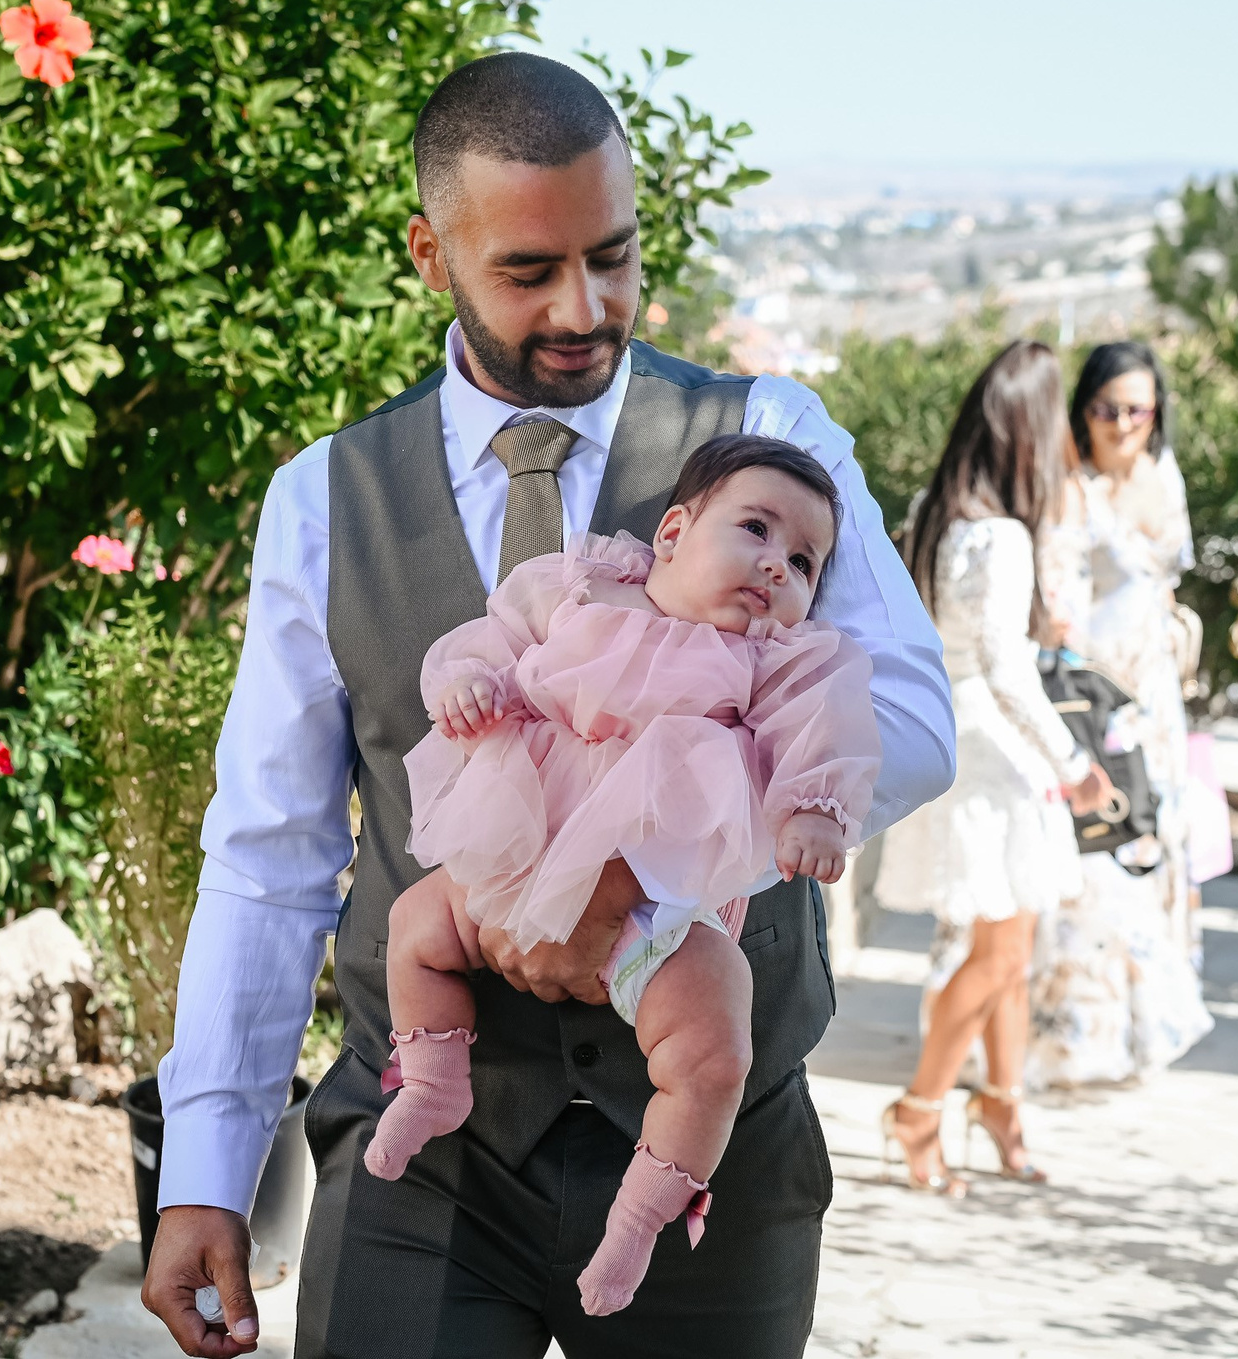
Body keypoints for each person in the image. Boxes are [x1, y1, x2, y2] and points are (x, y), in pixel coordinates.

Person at [140, 51, 955, 1359]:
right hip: (426, 1154)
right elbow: (268, 854)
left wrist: (641, 866)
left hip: (712, 1154)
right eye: (529, 271)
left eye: (613, 256)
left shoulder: (770, 434)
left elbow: (908, 720)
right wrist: (205, 1169)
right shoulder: (325, 499)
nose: (586, 306)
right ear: (431, 253)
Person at [370, 434, 879, 1317]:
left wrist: (811, 811)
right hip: (513, 862)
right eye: (755, 529)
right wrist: (468, 682)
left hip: (656, 912)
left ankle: (639, 1220)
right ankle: (432, 1080)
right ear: (673, 532)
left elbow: (820, 730)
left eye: (804, 561)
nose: (777, 564)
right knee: (416, 928)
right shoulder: (580, 587)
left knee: (714, 1049)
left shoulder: (773, 660)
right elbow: (490, 639)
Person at [872, 340, 1104, 1193]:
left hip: (957, 737)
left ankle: (1002, 1104)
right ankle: (920, 1108)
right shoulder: (1003, 535)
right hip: (998, 749)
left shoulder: (938, 509)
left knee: (1012, 938)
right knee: (1003, 952)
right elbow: (1008, 667)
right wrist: (1073, 762)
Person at [1027, 340, 1214, 1088]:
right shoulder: (1069, 486)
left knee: (1152, 843)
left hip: (1155, 697)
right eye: (1108, 408)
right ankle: (1075, 1040)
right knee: (1095, 854)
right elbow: (1056, 601)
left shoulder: (1165, 475)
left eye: (1138, 409)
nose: (1123, 423)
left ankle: (1143, 1032)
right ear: (1085, 410)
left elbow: (1165, 584)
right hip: (1095, 699)